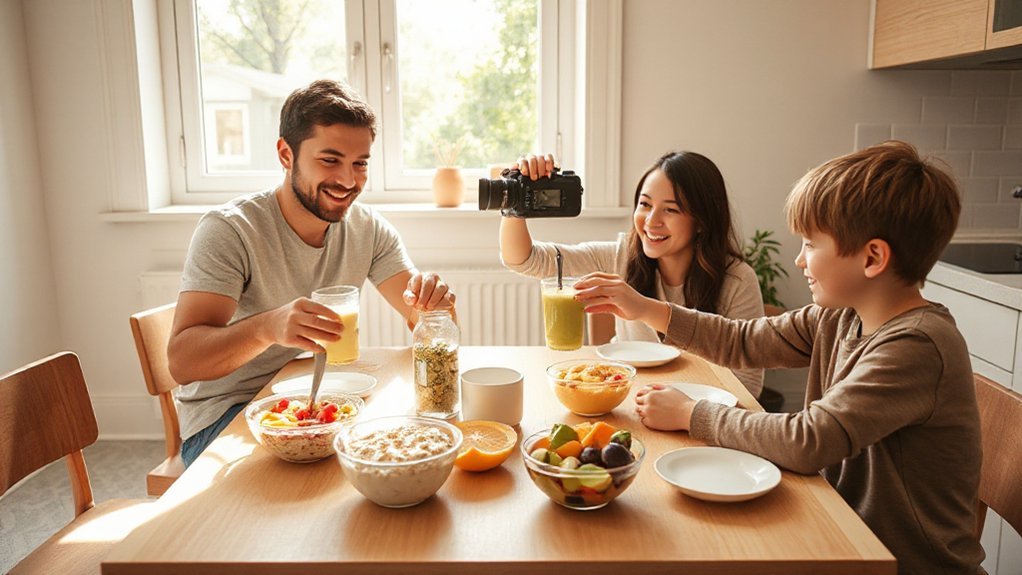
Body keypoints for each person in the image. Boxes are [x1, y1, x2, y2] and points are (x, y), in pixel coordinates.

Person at [577, 141, 983, 574]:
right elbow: (743, 340)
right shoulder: (839, 317)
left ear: (873, 258)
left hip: (902, 564)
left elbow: (810, 441)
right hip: (844, 535)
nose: (799, 259)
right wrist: (647, 308)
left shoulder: (916, 346)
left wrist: (693, 414)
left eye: (810, 244)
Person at [168, 79, 456, 467]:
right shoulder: (230, 230)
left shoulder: (367, 229)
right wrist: (266, 327)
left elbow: (425, 318)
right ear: (286, 154)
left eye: (360, 163)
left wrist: (433, 306)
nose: (349, 181)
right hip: (224, 418)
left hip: (313, 402)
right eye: (329, 160)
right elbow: (182, 362)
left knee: (405, 454)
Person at [501, 152, 765, 396]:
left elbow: (748, 386)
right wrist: (515, 199)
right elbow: (525, 260)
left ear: (702, 221)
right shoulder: (620, 256)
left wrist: (683, 409)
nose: (651, 221)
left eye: (670, 209)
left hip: (702, 417)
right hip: (628, 404)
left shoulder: (737, 281)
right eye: (645, 204)